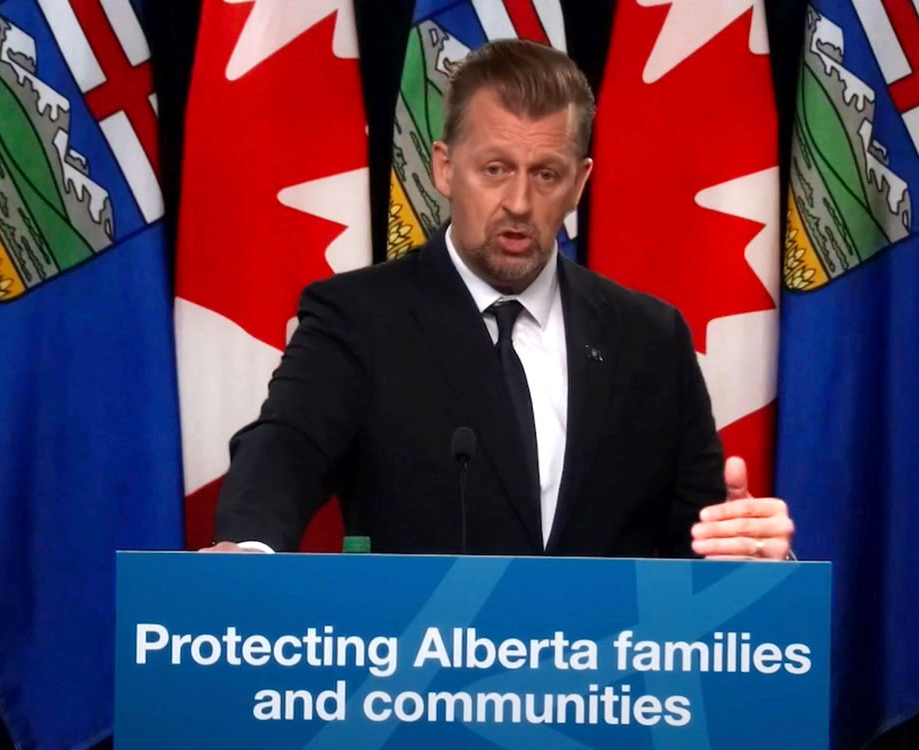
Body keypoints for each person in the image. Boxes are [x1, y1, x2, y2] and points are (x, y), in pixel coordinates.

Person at [206, 40, 793, 560]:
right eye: (494, 169)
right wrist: (251, 547)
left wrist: (746, 558)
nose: (517, 201)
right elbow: (285, 448)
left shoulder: (649, 338)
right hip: (417, 674)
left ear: (580, 183)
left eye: (545, 174)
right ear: (443, 168)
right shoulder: (359, 319)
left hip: (605, 678)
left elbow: (704, 540)